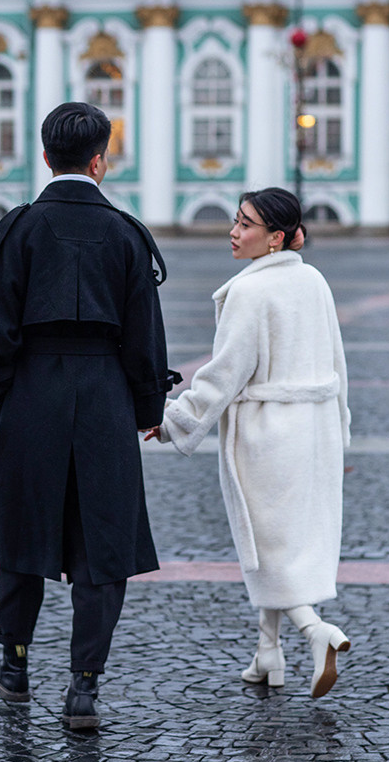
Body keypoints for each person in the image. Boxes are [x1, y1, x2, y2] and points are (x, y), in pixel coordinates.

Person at [0, 102, 176, 729]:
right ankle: (84, 688)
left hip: (30, 396)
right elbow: (146, 336)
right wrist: (147, 406)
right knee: (102, 541)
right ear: (99, 161)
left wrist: (2, 391)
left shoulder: (19, 229)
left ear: (45, 157)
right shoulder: (127, 234)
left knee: (21, 532)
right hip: (105, 397)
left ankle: (15, 664)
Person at [145, 188, 351, 699]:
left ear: (276, 237)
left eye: (245, 224)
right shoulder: (314, 279)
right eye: (236, 221)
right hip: (316, 430)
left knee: (269, 548)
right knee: (277, 542)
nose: (233, 232)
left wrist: (171, 422)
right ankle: (268, 653)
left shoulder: (249, 292)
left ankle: (315, 631)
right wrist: (341, 428)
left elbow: (223, 377)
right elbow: (338, 361)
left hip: (268, 435)